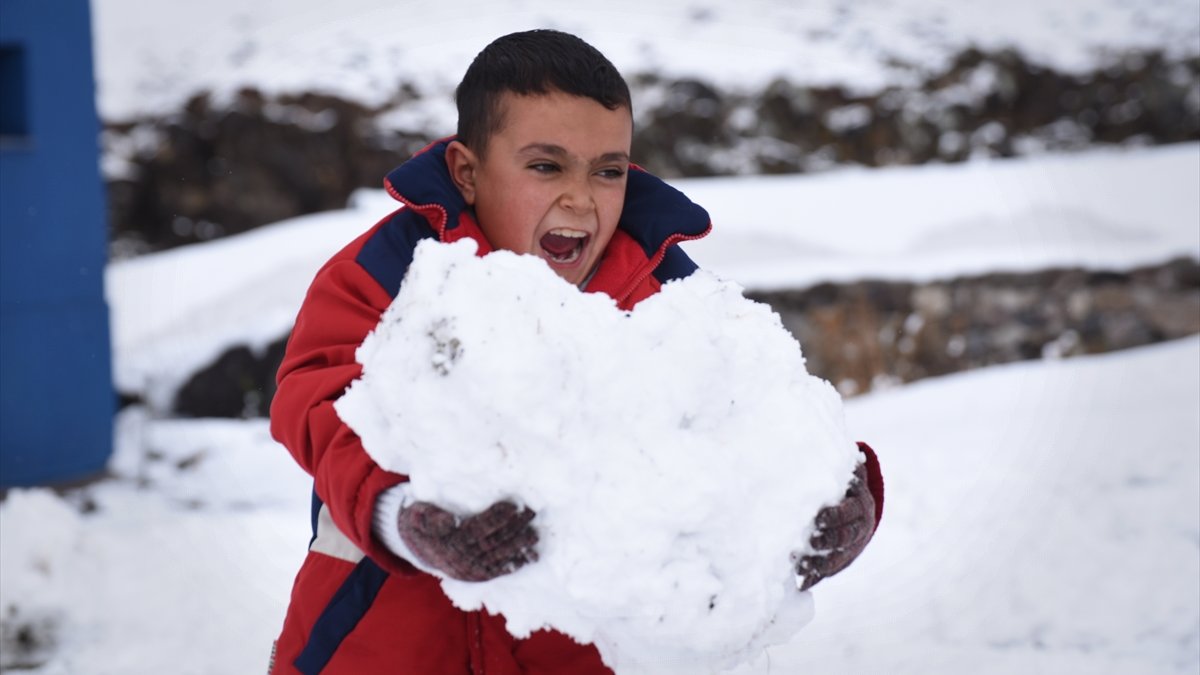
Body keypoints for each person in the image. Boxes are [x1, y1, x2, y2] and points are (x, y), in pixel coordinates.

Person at [268, 29, 884, 675]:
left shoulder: (669, 294)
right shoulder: (395, 268)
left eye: (608, 171)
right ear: (467, 172)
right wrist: (403, 515)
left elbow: (758, 417)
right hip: (381, 642)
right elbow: (315, 395)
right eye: (545, 165)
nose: (581, 197)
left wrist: (820, 499)